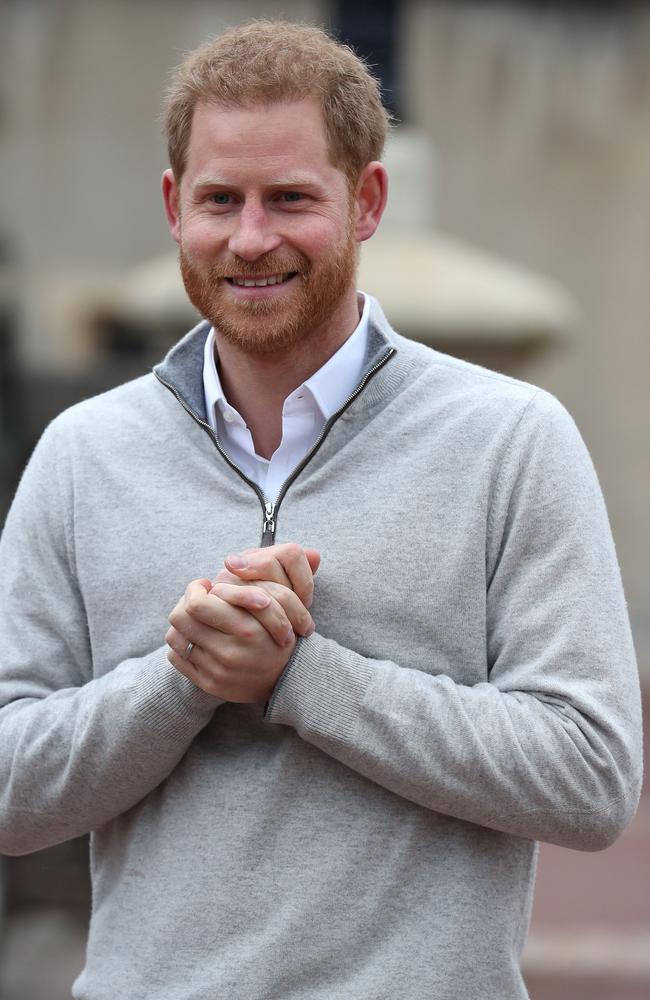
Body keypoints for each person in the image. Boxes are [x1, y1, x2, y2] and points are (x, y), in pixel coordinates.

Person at [0, 19, 643, 1000]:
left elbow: (591, 778)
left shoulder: (511, 440)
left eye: (290, 198)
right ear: (175, 206)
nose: (250, 239)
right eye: (221, 199)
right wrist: (181, 679)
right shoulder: (83, 456)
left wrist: (304, 677)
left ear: (366, 199)